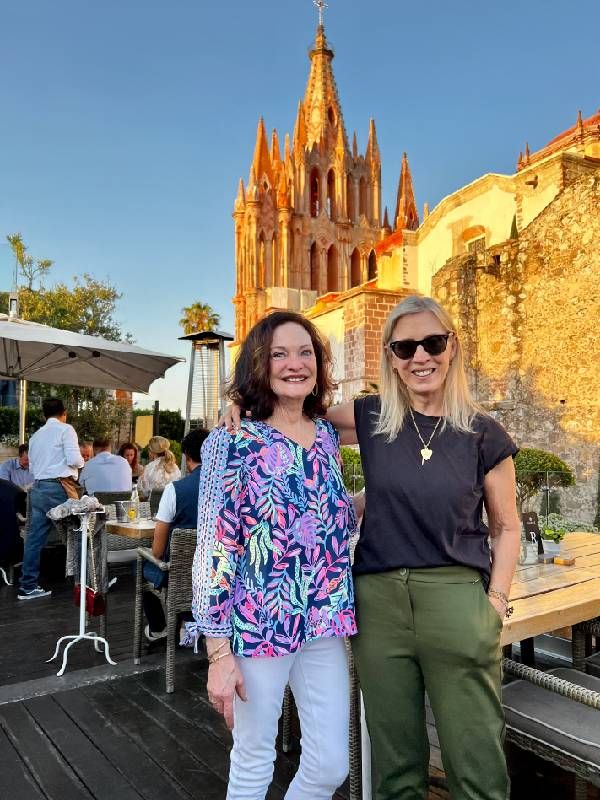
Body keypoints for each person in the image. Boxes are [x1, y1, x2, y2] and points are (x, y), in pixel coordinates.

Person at [225, 296, 521, 800]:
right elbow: (298, 412)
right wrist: (242, 405)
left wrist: (495, 601)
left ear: (453, 347)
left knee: (475, 758)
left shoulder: (482, 432)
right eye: (405, 347)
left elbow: (507, 526)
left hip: (455, 596)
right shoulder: (373, 417)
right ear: (390, 357)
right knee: (394, 758)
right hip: (377, 601)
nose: (420, 357)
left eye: (433, 342)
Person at [191, 310, 357, 800]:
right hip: (257, 623)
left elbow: (324, 517)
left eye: (305, 352)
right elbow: (213, 548)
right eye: (279, 354)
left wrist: (379, 500)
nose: (295, 363)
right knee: (253, 761)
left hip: (324, 620)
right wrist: (217, 654)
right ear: (259, 366)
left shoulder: (326, 434)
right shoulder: (232, 439)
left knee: (329, 764)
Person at [142, 427, 209, 642]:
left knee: (144, 566)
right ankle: (190, 630)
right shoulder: (231, 487)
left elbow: (158, 550)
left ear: (187, 456)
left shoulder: (175, 490)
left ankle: (160, 628)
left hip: (182, 575)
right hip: (218, 575)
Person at [18, 398, 84, 600]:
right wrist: (80, 462)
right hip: (59, 488)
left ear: (44, 415)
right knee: (82, 532)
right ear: (64, 412)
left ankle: (27, 586)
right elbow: (74, 459)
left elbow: (32, 468)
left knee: (34, 539)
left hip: (38, 488)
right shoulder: (66, 429)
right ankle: (88, 583)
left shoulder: (35, 436)